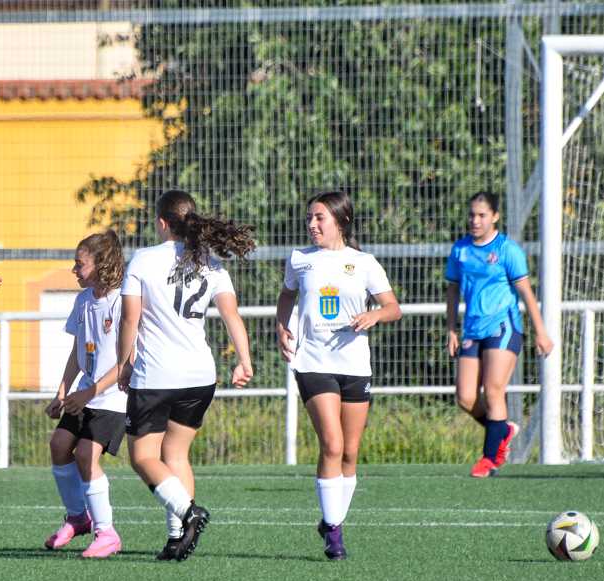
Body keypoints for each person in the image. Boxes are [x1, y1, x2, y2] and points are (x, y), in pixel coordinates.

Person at [116, 190, 254, 562]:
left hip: (157, 376)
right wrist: (244, 360)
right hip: (199, 376)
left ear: (162, 223)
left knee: (143, 457)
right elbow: (231, 315)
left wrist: (124, 362)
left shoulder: (144, 259)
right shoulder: (209, 261)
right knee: (175, 454)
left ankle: (188, 512)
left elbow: (129, 319)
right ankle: (177, 538)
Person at [276, 190, 401, 560]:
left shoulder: (363, 263)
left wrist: (374, 315)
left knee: (350, 451)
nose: (312, 224)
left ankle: (332, 518)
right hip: (313, 362)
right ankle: (334, 534)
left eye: (320, 218)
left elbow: (393, 307)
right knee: (331, 444)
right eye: (310, 218)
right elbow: (286, 296)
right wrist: (282, 326)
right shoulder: (299, 259)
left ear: (341, 221)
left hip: (355, 364)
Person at [445, 191, 553, 478]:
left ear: (495, 217)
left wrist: (541, 332)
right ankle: (502, 431)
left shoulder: (507, 250)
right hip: (473, 329)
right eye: (472, 215)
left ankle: (489, 459)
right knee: (466, 397)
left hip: (503, 327)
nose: (475, 220)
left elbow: (526, 292)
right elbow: (453, 290)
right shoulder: (460, 250)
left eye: (482, 215)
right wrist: (451, 329)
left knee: (493, 390)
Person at [43, 230, 127, 559]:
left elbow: (126, 363)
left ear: (102, 264)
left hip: (113, 396)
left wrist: (91, 391)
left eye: (80, 264)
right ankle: (78, 517)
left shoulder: (122, 302)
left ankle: (107, 533)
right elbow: (78, 352)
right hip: (84, 393)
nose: (74, 270)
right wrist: (62, 391)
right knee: (59, 445)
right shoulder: (83, 301)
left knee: (86, 455)